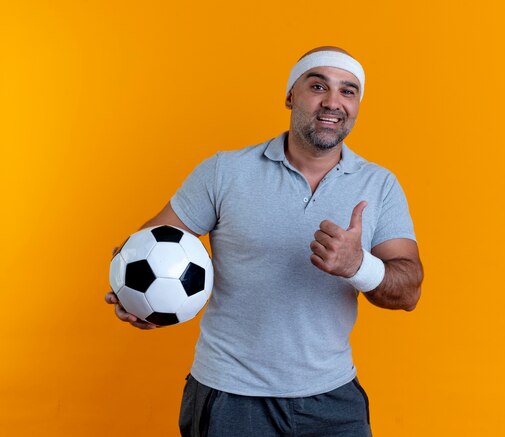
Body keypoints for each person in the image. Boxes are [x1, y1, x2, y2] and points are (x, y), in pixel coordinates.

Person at [105, 46, 423, 437]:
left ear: (357, 105)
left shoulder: (380, 184)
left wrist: (360, 266)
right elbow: (148, 244)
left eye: (348, 91)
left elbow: (408, 291)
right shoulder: (224, 172)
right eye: (318, 85)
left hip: (333, 399)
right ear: (290, 94)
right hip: (229, 397)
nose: (332, 102)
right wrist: (134, 295)